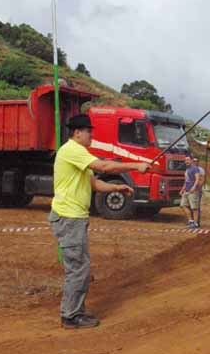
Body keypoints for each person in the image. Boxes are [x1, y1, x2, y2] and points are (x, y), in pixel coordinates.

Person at [49, 114, 150, 330]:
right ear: (77, 133)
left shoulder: (78, 153)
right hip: (69, 217)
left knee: (81, 267)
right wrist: (136, 165)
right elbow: (104, 167)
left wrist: (116, 188)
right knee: (78, 269)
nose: (91, 135)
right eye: (89, 131)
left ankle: (76, 311)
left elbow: (94, 183)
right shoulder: (72, 150)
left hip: (74, 217)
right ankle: (70, 316)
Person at [181, 155, 205, 228]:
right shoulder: (187, 169)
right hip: (187, 190)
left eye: (188, 160)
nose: (186, 161)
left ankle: (195, 223)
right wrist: (182, 189)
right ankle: (190, 221)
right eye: (185, 160)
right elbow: (186, 180)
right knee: (183, 205)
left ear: (191, 160)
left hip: (193, 191)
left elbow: (198, 179)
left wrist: (194, 187)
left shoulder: (195, 169)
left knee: (194, 207)